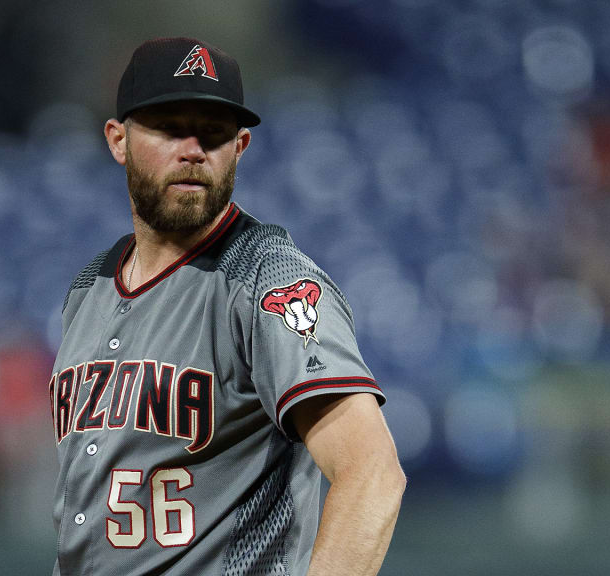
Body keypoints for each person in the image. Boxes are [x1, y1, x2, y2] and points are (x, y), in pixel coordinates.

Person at [47, 37, 405, 576]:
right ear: (118, 140)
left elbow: (371, 473)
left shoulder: (268, 279)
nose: (192, 149)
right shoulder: (89, 284)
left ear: (239, 147)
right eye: (169, 127)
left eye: (213, 133)